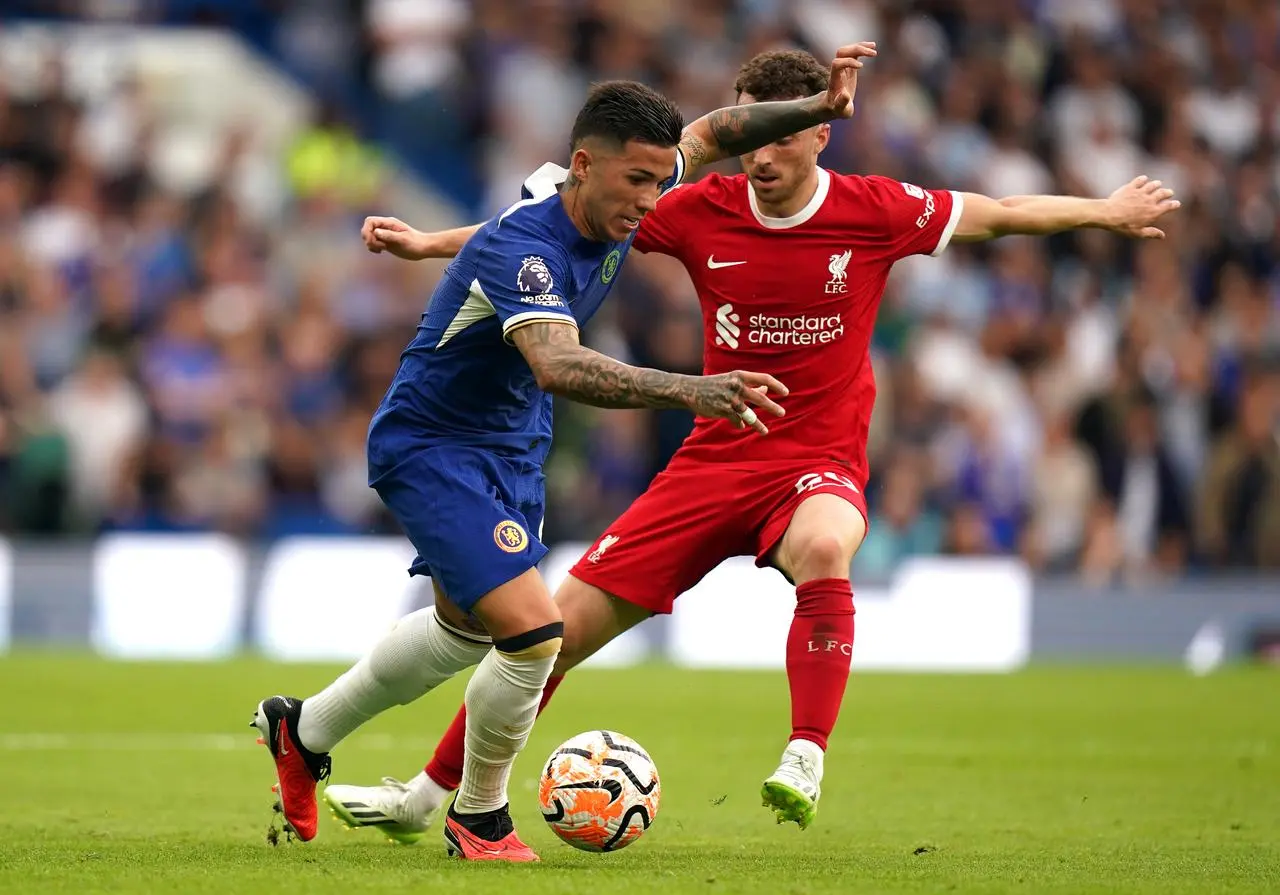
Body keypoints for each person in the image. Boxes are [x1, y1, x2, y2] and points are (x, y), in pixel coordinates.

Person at [321, 48, 1180, 842]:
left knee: (823, 546)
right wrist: (428, 244)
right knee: (553, 633)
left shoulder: (875, 209)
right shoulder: (696, 208)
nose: (758, 158)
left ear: (815, 133)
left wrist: (1105, 211)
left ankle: (805, 750)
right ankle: (428, 797)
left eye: (776, 136)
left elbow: (1000, 214)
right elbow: (542, 232)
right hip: (713, 457)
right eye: (748, 136)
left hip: (817, 458)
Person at [252, 49, 875, 863]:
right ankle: (478, 817)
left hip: (513, 445)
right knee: (537, 633)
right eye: (638, 185)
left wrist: (819, 106)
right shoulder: (530, 249)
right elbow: (560, 364)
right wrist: (694, 391)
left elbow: (721, 130)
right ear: (582, 167)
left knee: (460, 630)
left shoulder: (620, 188)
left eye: (663, 182)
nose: (653, 203)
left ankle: (303, 730)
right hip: (436, 444)